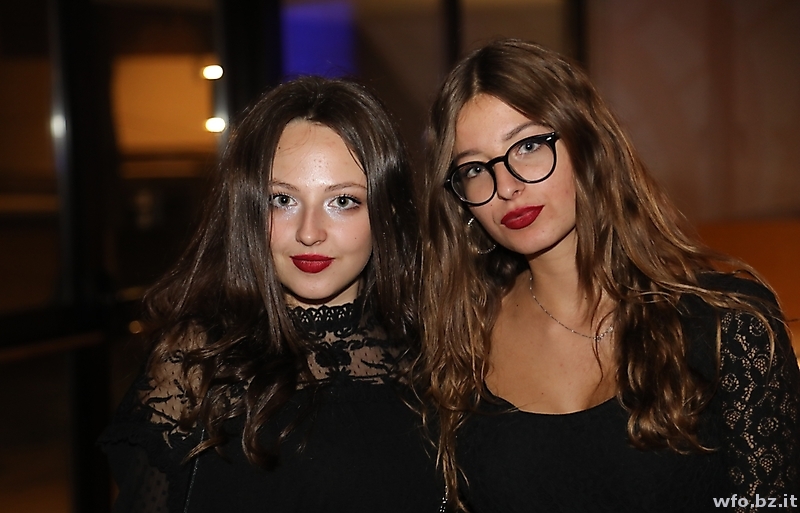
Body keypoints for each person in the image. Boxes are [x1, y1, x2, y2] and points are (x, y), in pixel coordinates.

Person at [417, 39, 800, 512]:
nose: (507, 186)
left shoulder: (729, 324)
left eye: (529, 146)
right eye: (475, 168)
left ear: (589, 144)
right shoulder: (455, 346)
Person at [100, 76, 443, 512]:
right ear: (248, 210)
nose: (309, 233)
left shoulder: (432, 348)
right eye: (282, 200)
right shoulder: (198, 360)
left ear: (387, 212)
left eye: (342, 201)